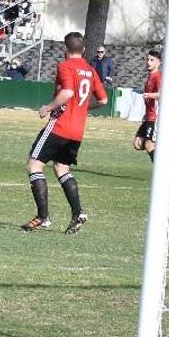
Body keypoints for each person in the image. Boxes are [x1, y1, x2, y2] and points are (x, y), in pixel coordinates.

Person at [22, 31, 107, 235]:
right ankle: (78, 213)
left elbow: (67, 92)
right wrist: (82, 107)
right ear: (84, 49)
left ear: (65, 48)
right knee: (61, 168)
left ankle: (43, 217)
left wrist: (48, 107)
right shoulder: (90, 69)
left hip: (60, 125)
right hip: (77, 131)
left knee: (34, 165)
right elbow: (103, 100)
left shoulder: (65, 66)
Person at [134, 49, 162, 161]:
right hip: (148, 116)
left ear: (158, 62)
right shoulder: (150, 76)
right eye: (147, 59)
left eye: (152, 60)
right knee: (137, 143)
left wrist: (149, 95)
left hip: (154, 117)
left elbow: (162, 94)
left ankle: (162, 168)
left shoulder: (157, 77)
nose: (148, 62)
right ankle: (160, 152)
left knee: (148, 145)